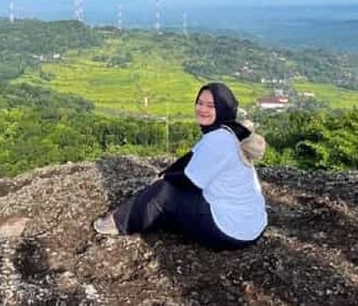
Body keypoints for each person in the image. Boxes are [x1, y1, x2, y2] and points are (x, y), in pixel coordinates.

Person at [93, 82, 267, 250]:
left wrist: (163, 181)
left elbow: (189, 182)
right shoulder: (229, 132)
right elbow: (190, 157)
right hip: (252, 227)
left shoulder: (217, 140)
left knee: (164, 193)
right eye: (199, 103)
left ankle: (119, 222)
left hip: (229, 231)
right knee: (169, 187)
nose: (202, 109)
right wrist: (165, 172)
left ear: (223, 109)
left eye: (210, 106)